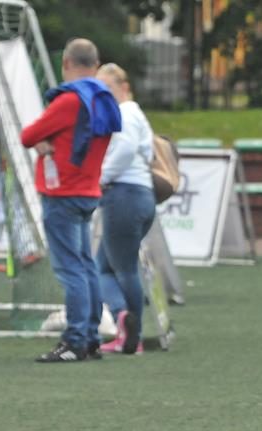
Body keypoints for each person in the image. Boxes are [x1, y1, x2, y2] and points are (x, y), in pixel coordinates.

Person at [21, 38, 121, 362]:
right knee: (86, 266)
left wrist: (44, 142)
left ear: (66, 63)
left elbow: (27, 136)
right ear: (97, 64)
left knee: (71, 270)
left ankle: (76, 339)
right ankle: (90, 336)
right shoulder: (105, 98)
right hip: (88, 190)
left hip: (62, 194)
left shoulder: (69, 100)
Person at [94, 63, 156, 355]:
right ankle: (128, 326)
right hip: (138, 195)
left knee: (122, 269)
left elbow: (126, 148)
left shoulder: (126, 113)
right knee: (104, 267)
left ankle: (129, 328)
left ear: (124, 87)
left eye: (108, 88)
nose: (103, 95)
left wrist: (100, 177)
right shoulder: (135, 113)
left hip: (124, 196)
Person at [0, 124, 40, 272]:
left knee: (7, 216)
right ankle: (25, 252)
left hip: (6, 178)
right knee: (0, 218)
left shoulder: (8, 126)